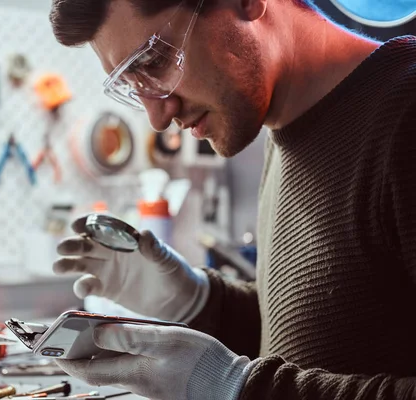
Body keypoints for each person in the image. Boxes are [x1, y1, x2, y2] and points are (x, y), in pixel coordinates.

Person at [50, 0, 416, 398]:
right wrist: (197, 301)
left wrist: (235, 388)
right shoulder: (286, 132)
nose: (157, 117)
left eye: (154, 61)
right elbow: (316, 343)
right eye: (133, 84)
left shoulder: (405, 116)